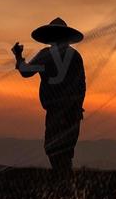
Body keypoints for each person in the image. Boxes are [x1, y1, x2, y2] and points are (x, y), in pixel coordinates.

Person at [13, 17, 87, 172]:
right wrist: (78, 107)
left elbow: (26, 72)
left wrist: (18, 56)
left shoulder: (47, 54)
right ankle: (65, 181)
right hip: (72, 112)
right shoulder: (75, 56)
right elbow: (82, 85)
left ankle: (62, 182)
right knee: (65, 150)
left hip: (57, 112)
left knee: (54, 148)